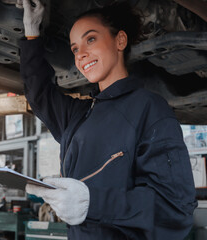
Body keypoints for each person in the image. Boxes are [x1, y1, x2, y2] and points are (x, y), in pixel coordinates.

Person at [21, 1, 197, 239]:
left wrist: (91, 203)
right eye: (74, 49)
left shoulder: (148, 108)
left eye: (90, 39)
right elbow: (39, 95)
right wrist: (32, 35)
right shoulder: (79, 115)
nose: (81, 54)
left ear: (120, 41)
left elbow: (174, 209)